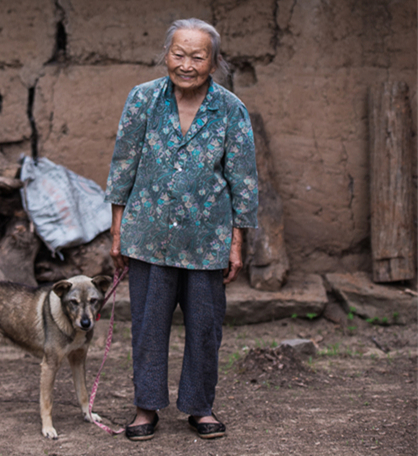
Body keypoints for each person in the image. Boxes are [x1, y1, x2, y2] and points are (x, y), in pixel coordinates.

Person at [104, 18, 258, 441]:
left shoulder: (230, 109)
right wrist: (117, 232)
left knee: (206, 327)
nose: (186, 64)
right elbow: (123, 167)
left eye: (197, 56)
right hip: (148, 236)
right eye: (178, 54)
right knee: (149, 325)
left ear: (214, 61)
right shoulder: (143, 100)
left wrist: (236, 241)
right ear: (165, 55)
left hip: (207, 239)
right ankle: (145, 407)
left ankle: (200, 406)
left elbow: (243, 177)